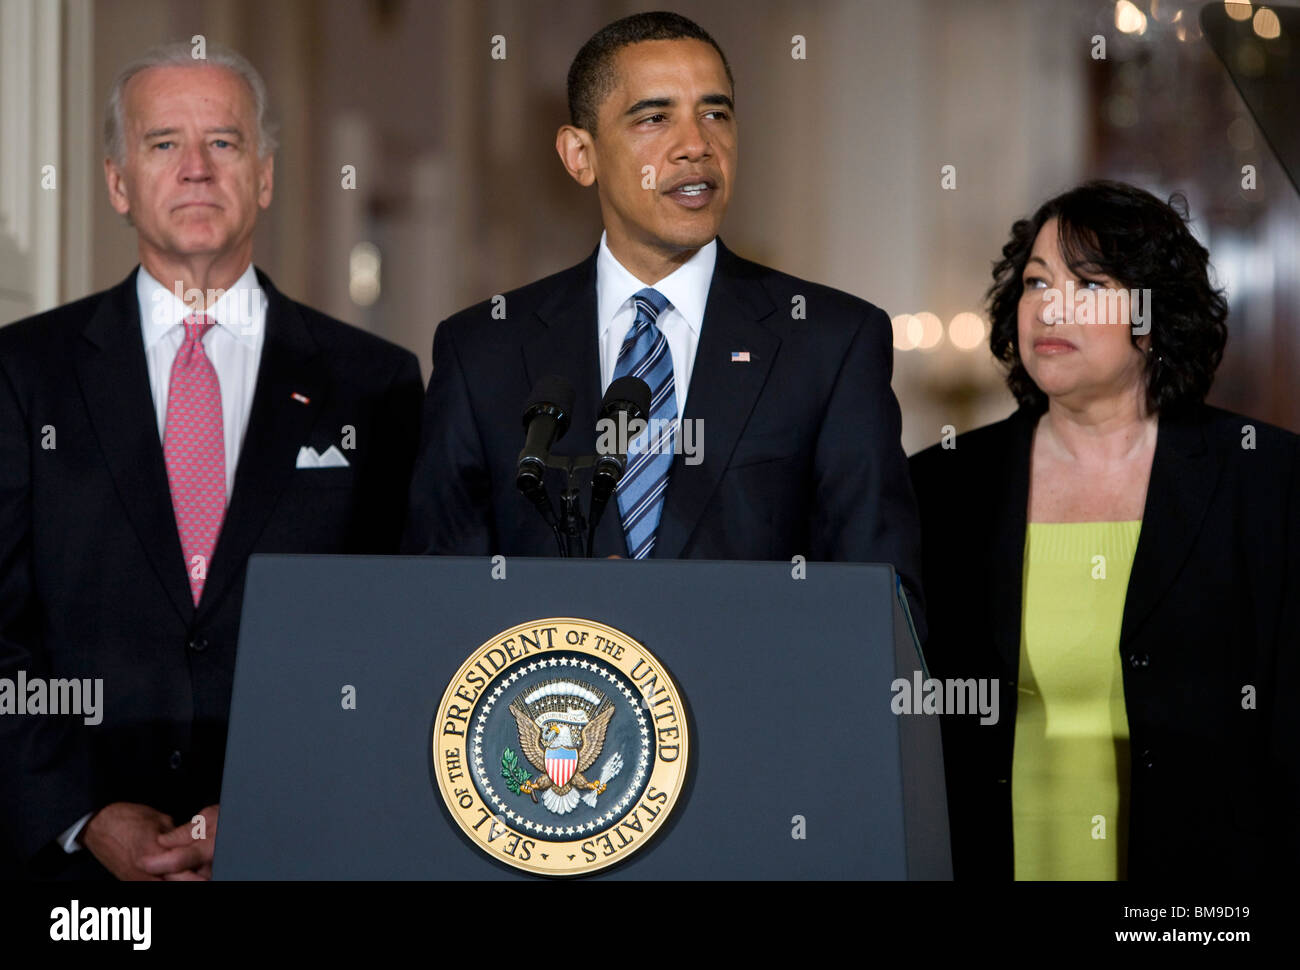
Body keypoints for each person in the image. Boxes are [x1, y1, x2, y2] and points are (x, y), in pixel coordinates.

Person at [0, 42, 423, 880]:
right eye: (163, 144)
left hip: (304, 849)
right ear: (119, 182)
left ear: (263, 177)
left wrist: (281, 797)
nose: (196, 169)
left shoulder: (375, 383)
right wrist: (83, 815)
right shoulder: (22, 375)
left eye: (223, 143)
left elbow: (397, 630)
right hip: (74, 875)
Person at [403, 11, 924, 632]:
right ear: (579, 155)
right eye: (655, 118)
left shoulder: (831, 341)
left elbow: (881, 604)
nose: (696, 144)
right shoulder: (482, 349)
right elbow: (434, 602)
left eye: (716, 113)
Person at [909, 180, 1299, 880]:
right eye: (1035, 282)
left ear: (1152, 316)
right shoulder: (940, 486)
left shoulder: (1267, 480)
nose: (1048, 306)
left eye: (1088, 284)